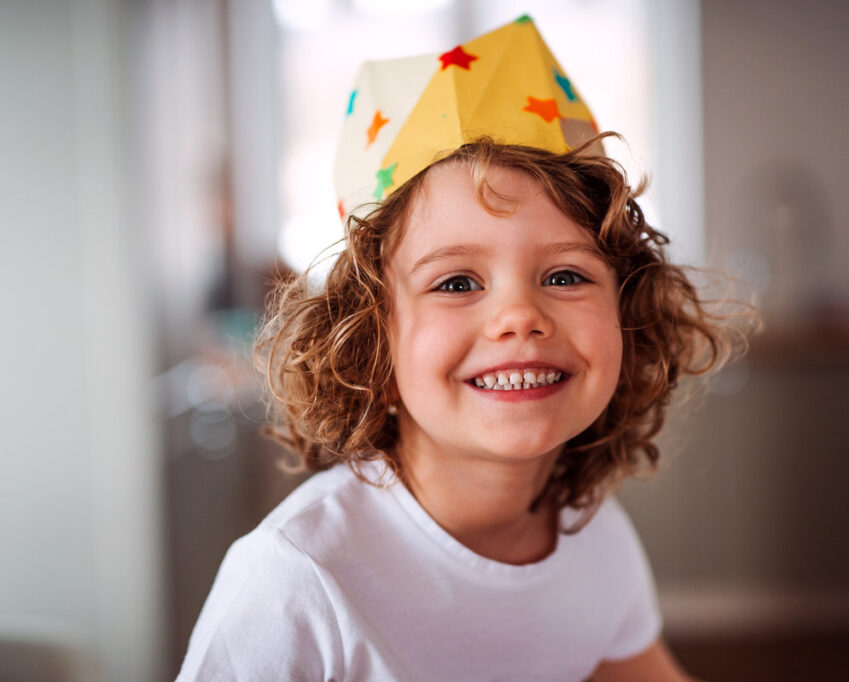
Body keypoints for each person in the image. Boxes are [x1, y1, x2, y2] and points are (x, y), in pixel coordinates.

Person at [178, 16, 749, 682]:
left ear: (628, 318)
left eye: (565, 275)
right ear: (371, 346)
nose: (518, 316)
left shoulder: (597, 540)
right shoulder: (295, 580)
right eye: (456, 282)